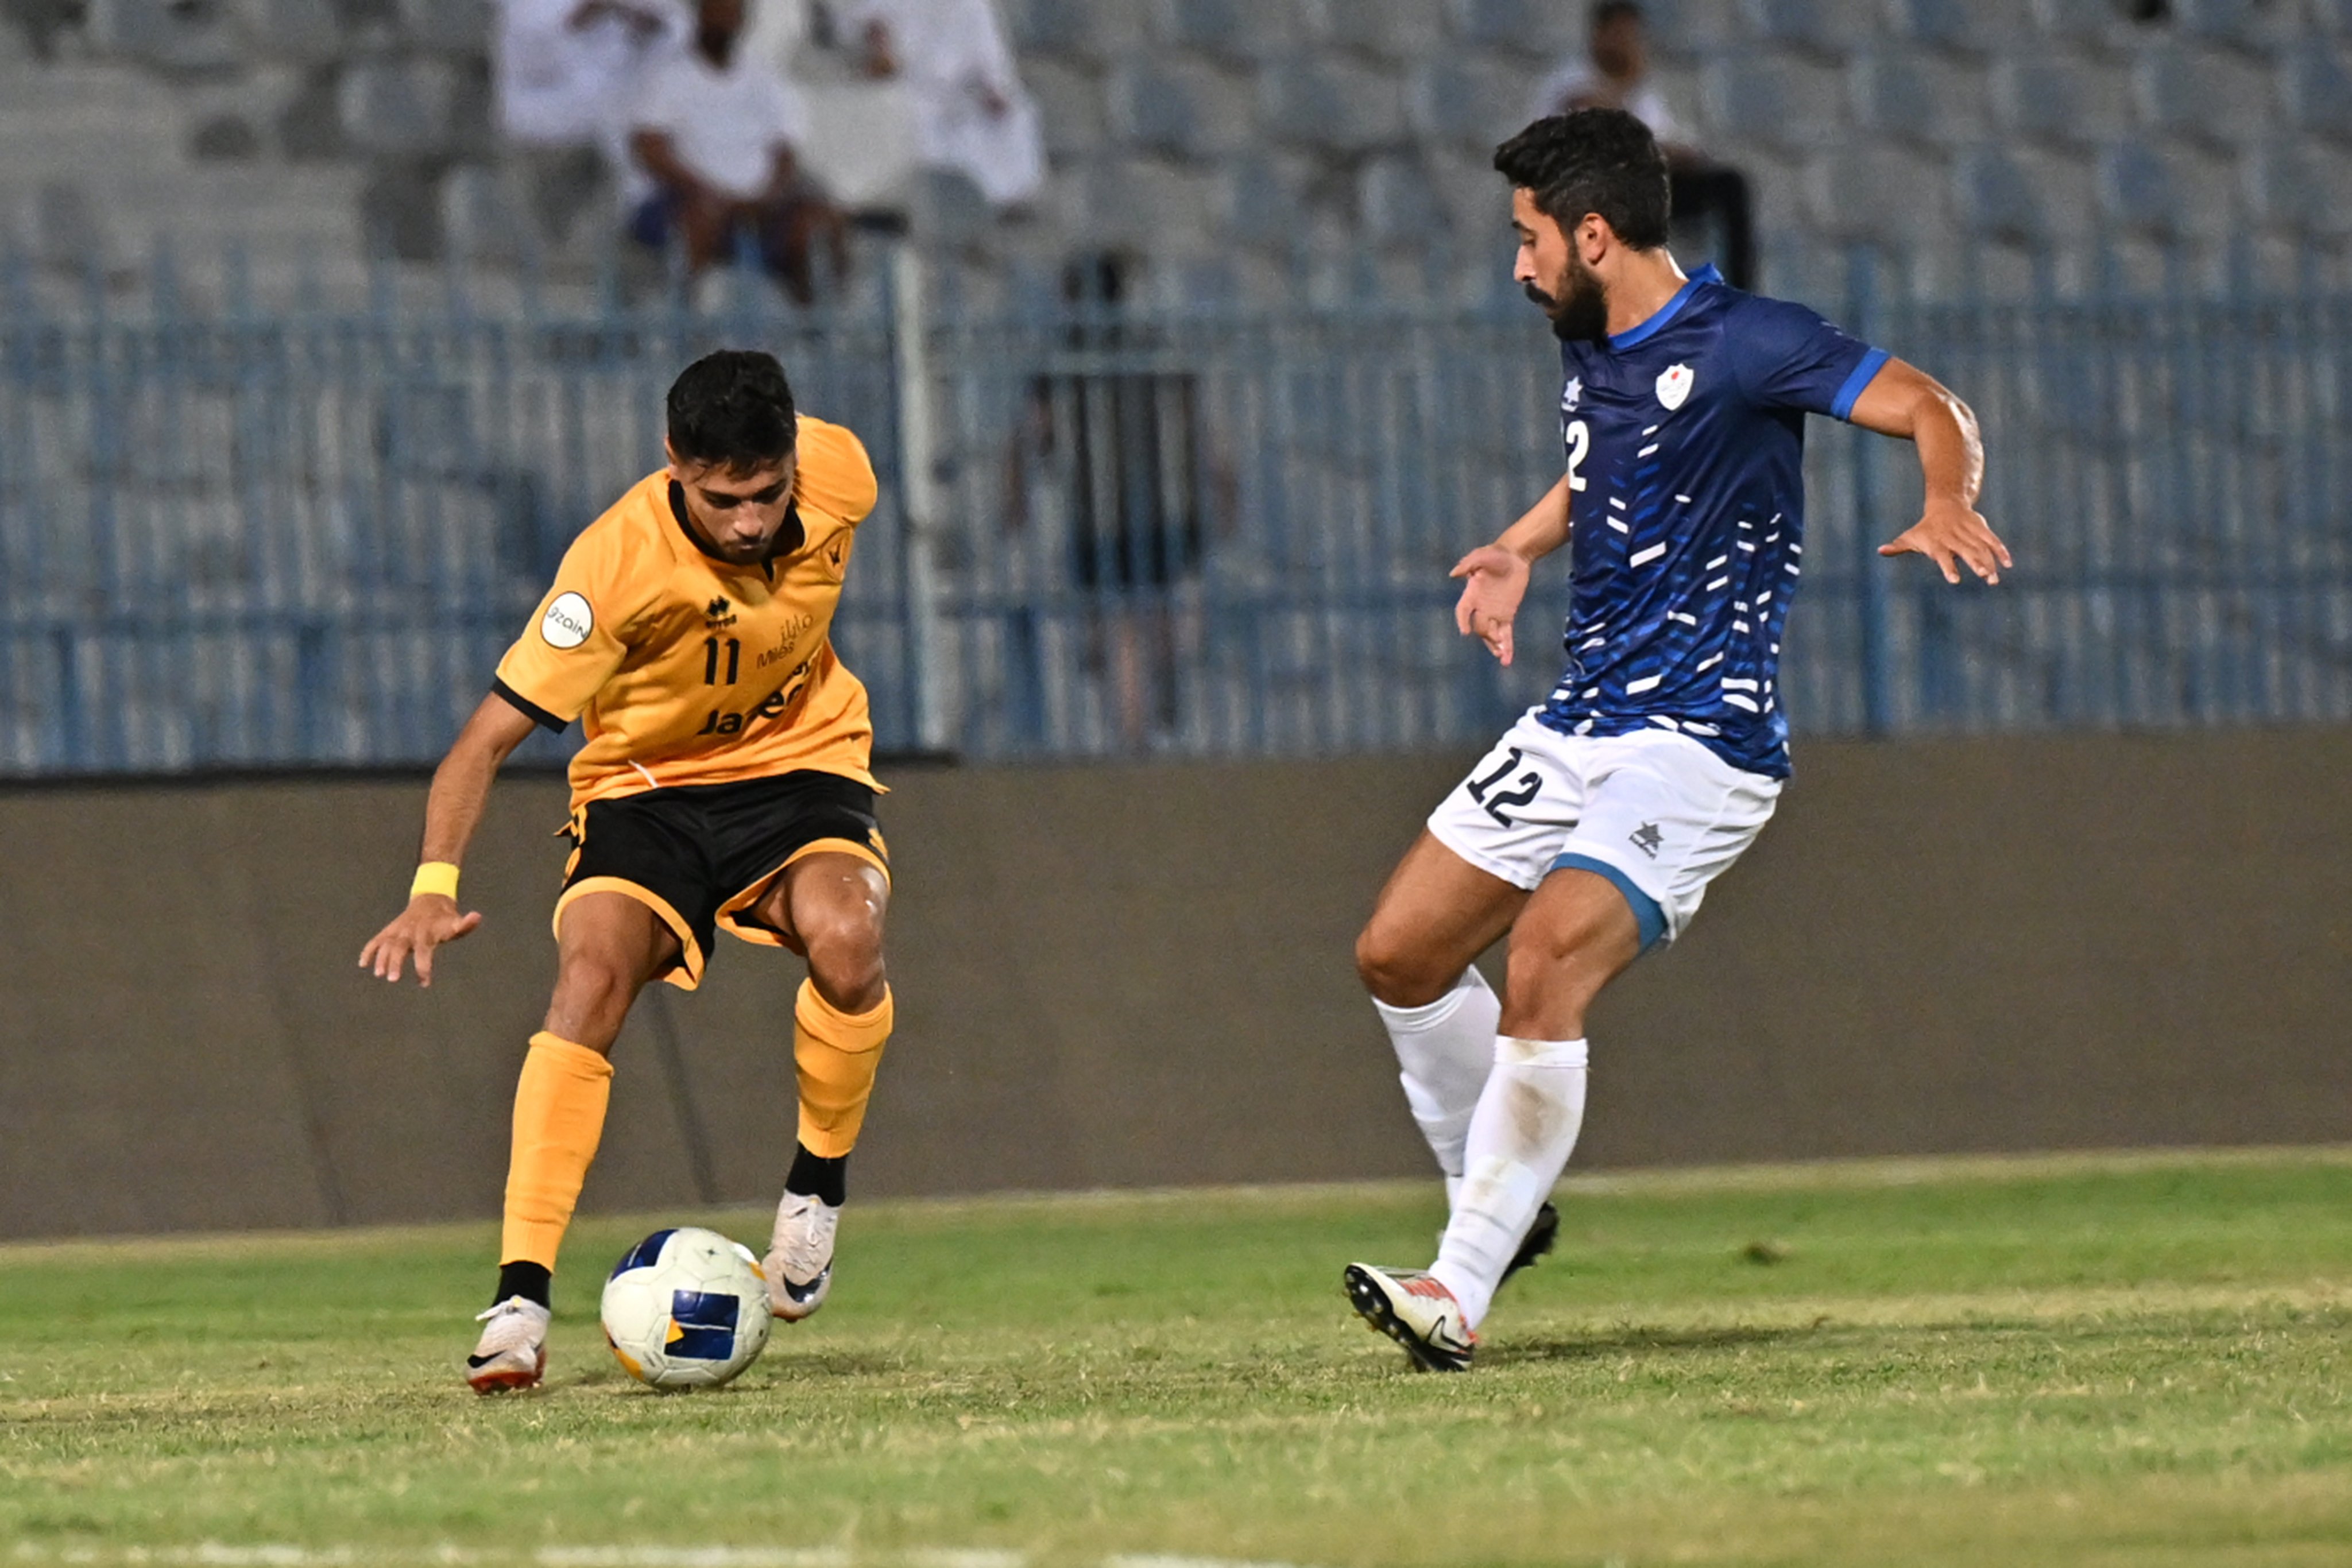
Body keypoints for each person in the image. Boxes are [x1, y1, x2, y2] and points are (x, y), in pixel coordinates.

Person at [1343, 110, 2009, 1371]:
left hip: (1698, 739)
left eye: (1529, 239)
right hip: (1582, 711)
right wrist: (1517, 549)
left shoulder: (1753, 342)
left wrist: (1944, 500)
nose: (1520, 265)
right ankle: (1494, 1196)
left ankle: (1459, 1282)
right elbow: (1604, 466)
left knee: (1544, 956)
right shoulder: (1594, 341)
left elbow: (1930, 403)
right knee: (1397, 953)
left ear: (1593, 235)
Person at [358, 351, 898, 1394]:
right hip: (647, 789)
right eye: (721, 498)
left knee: (851, 936)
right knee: (589, 982)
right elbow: (481, 744)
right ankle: (518, 1303)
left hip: (800, 765)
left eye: (768, 493)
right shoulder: (613, 569)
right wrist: (433, 887)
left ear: (795, 461)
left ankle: (813, 1194)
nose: (749, 521)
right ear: (673, 468)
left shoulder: (843, 473)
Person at [628, 0, 848, 300]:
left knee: (819, 222)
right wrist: (706, 192)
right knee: (695, 223)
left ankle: (815, 327)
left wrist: (767, 197)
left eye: (730, 13)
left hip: (763, 204)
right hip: (690, 198)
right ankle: (681, 325)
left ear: (743, 21)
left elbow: (786, 152)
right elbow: (650, 148)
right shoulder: (668, 78)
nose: (722, 21)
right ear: (700, 15)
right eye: (715, 12)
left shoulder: (767, 80)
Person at [1531, 1, 1755, 290]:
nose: (1627, 43)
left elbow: (1660, 138)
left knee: (1729, 185)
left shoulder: (1641, 91)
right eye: (1620, 34)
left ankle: (1742, 292)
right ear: (1600, 33)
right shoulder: (1571, 78)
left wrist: (1684, 155)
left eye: (1632, 35)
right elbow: (1594, 117)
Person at [495, 0, 684, 246]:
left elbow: (681, 33)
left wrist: (648, 30)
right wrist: (586, 16)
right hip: (548, 121)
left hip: (620, 117)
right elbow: (531, 61)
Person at [837, 0, 1046, 211]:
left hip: (960, 94)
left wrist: (994, 90)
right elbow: (858, 27)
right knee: (914, 126)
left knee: (1014, 118)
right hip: (908, 90)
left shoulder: (972, 6)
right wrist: (879, 46)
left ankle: (1002, 198)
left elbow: (992, 61)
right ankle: (936, 202)